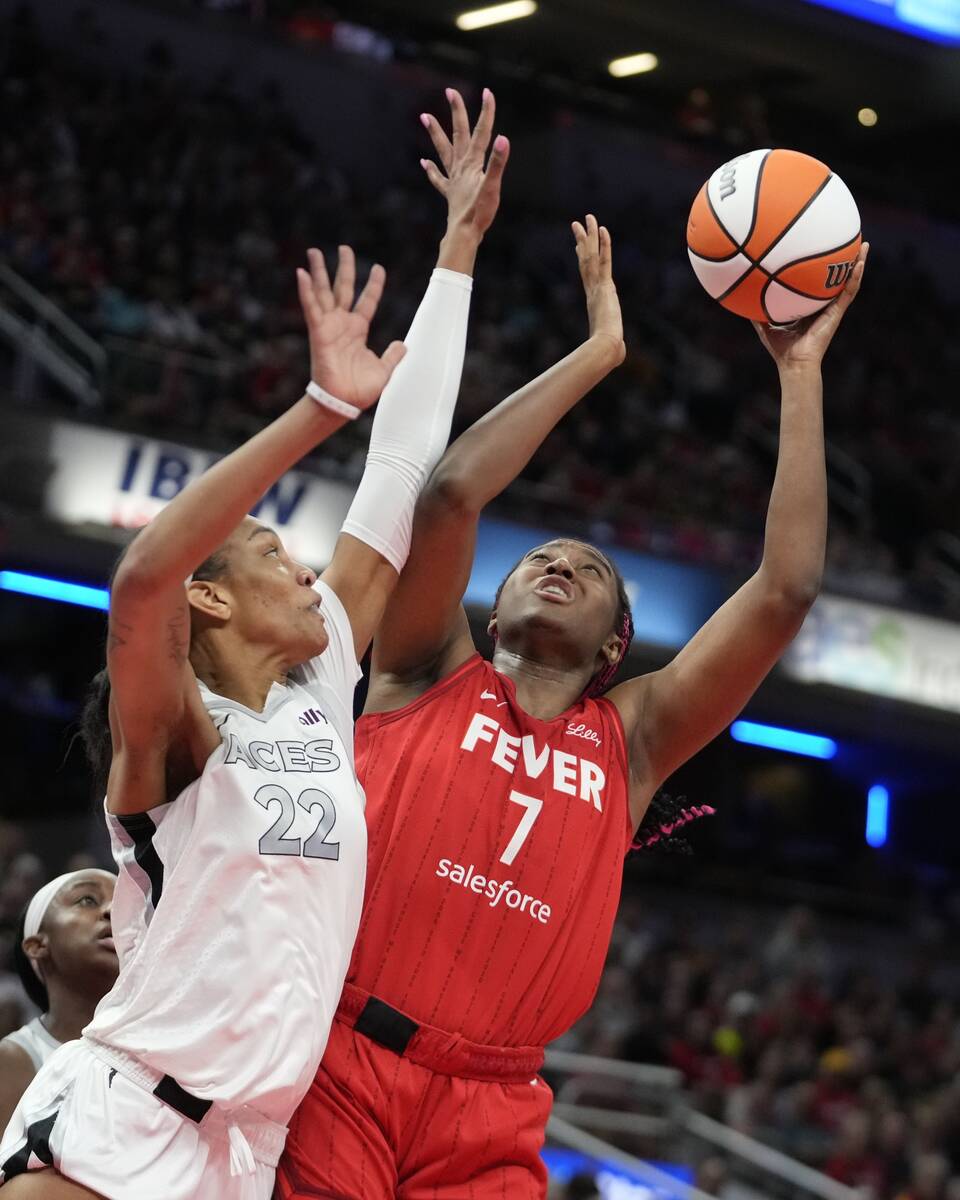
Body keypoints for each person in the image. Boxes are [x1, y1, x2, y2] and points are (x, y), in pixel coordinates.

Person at [277, 159, 869, 1196]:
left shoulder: (633, 738)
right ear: (492, 610)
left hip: (499, 1107)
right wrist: (600, 353)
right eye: (540, 559)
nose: (562, 562)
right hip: (341, 1061)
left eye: (590, 570)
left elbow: (785, 591)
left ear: (612, 651)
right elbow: (452, 491)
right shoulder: (421, 669)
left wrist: (800, 373)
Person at [0, 87, 508, 1200]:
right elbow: (141, 582)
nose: (309, 571)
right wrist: (322, 404)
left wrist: (459, 250)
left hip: (247, 1148)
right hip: (124, 1118)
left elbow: (402, 474)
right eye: (276, 555)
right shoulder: (178, 732)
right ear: (214, 605)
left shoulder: (317, 690)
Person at [0, 871, 117, 1132]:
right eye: (87, 900)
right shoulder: (11, 1061)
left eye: (124, 904)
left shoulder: (166, 1045)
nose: (113, 910)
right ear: (37, 945)